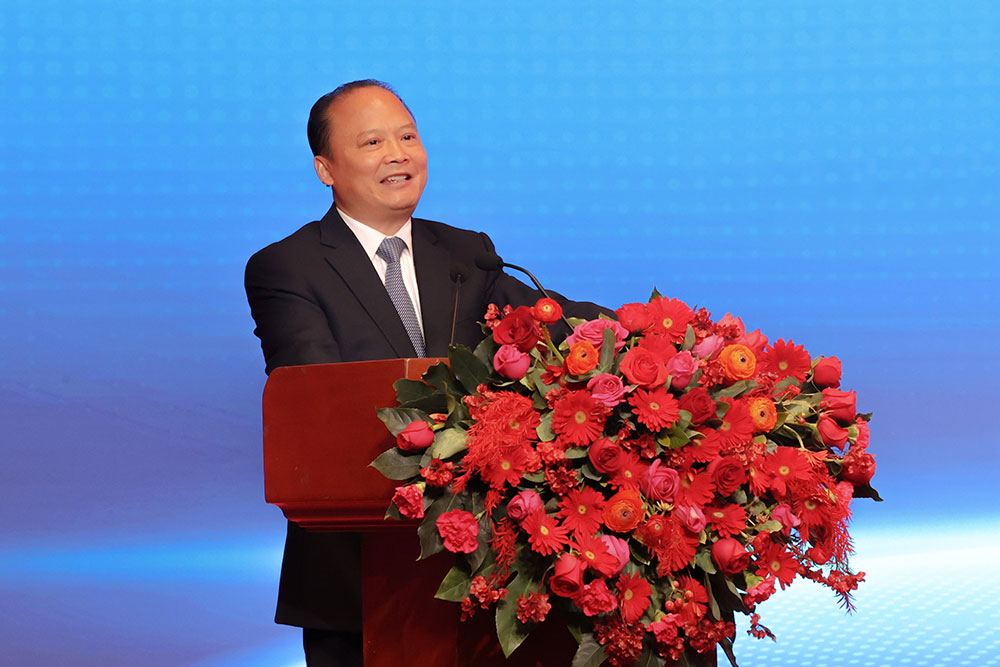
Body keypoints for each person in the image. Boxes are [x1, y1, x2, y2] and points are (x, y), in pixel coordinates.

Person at [245, 80, 605, 666]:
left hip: (482, 568)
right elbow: (320, 400)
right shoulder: (287, 267)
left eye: (407, 137)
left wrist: (640, 331)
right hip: (359, 576)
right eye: (373, 142)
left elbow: (548, 320)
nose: (398, 154)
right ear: (325, 169)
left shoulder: (465, 252)